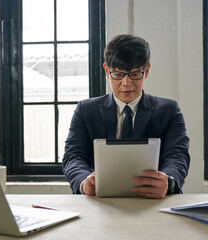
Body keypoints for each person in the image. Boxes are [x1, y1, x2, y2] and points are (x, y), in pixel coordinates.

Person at [62, 34, 190, 199]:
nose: (126, 83)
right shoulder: (86, 110)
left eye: (135, 74)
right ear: (107, 71)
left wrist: (169, 182)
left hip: (152, 200)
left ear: (147, 71)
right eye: (118, 74)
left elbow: (177, 155)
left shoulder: (168, 110)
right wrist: (83, 183)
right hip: (100, 201)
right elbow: (73, 156)